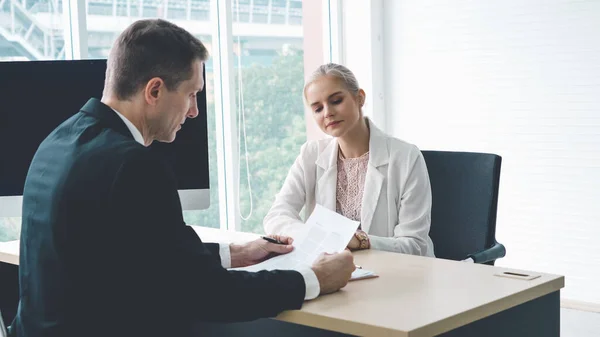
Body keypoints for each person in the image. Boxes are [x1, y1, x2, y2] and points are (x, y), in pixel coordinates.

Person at [9, 19, 355, 337]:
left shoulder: (58, 140)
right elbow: (205, 293)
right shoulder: (133, 166)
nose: (194, 110)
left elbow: (140, 255)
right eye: (191, 94)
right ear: (154, 91)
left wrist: (235, 253)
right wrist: (312, 279)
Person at [264, 63, 435, 257]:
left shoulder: (406, 157)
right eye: (318, 108)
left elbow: (414, 244)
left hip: (398, 273)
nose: (327, 112)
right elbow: (276, 216)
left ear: (359, 98)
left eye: (336, 101)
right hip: (335, 272)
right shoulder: (310, 154)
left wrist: (361, 241)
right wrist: (317, 237)